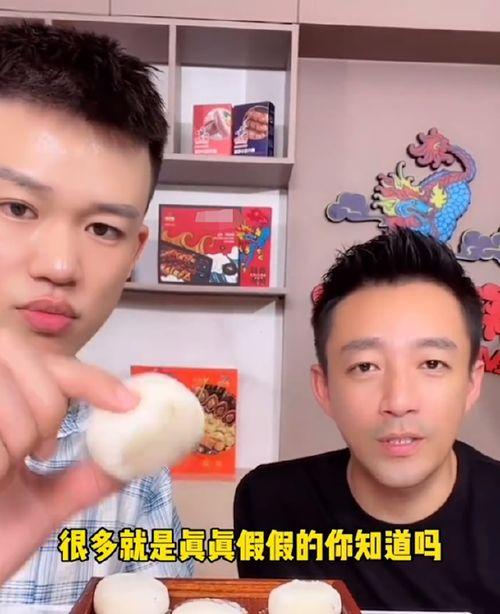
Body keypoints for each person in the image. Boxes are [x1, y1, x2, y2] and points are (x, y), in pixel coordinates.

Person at [0, 21, 192, 605]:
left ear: (135, 253)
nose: (60, 266)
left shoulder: (127, 454)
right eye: (17, 207)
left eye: (104, 229)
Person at [234, 227, 500, 613]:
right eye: (365, 366)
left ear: (472, 384)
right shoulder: (271, 503)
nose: (398, 402)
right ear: (325, 387)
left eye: (431, 363)